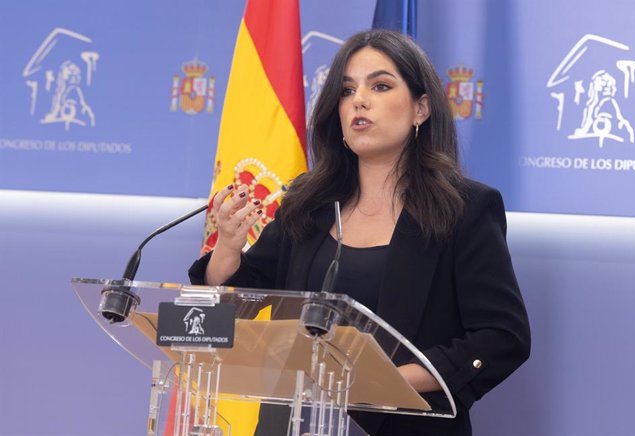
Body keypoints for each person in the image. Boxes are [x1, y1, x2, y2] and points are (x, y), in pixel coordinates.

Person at [189, 29, 530, 436]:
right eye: (347, 91)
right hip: (292, 423)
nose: (359, 101)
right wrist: (228, 245)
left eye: (380, 86)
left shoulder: (464, 209)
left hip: (406, 424)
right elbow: (239, 301)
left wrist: (392, 383)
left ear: (421, 109)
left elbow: (501, 337)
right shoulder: (308, 202)